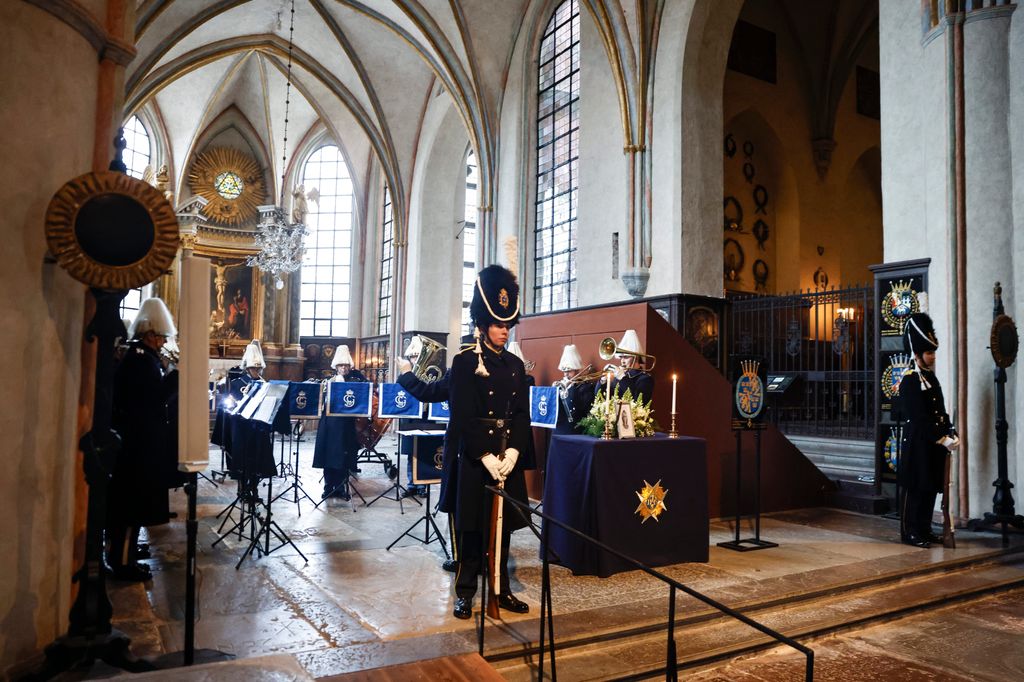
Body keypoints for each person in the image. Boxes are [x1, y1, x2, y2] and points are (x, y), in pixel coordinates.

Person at [446, 264, 534, 620]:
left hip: (506, 453)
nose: (504, 332)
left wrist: (514, 451)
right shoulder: (465, 362)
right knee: (471, 528)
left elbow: (521, 414)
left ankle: (502, 589)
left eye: (508, 326)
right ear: (483, 325)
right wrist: (484, 455)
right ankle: (466, 591)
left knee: (504, 530)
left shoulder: (515, 365)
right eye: (499, 326)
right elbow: (462, 416)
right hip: (475, 457)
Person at [106, 298, 179, 582]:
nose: (162, 342)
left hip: (134, 442)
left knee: (131, 505)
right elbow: (152, 401)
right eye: (160, 336)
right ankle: (122, 563)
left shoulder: (139, 357)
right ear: (149, 334)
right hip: (136, 447)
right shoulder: (141, 361)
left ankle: (124, 553)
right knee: (130, 505)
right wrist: (174, 379)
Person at [897, 312, 959, 548]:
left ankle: (924, 528)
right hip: (919, 443)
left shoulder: (931, 379)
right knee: (917, 489)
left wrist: (951, 432)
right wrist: (941, 438)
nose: (932, 356)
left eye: (933, 352)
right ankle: (911, 531)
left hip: (934, 444)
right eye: (928, 352)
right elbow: (919, 417)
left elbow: (940, 410)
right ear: (917, 353)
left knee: (930, 487)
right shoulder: (910, 380)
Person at [312, 345, 366, 500]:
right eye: (341, 365)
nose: (343, 368)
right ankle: (329, 486)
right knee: (329, 455)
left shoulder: (356, 381)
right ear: (336, 367)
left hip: (346, 425)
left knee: (344, 456)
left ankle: (342, 487)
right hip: (330, 424)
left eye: (346, 365)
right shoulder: (328, 381)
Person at [595, 329, 654, 403]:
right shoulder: (618, 377)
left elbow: (638, 400)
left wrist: (623, 378)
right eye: (621, 357)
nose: (622, 361)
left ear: (636, 357)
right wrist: (603, 381)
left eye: (626, 357)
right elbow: (598, 398)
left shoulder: (645, 378)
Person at [554, 344, 597, 434]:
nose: (566, 374)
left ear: (577, 370)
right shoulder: (559, 384)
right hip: (559, 428)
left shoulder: (585, 386)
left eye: (569, 371)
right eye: (564, 371)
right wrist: (553, 391)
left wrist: (572, 388)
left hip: (575, 429)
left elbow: (584, 409)